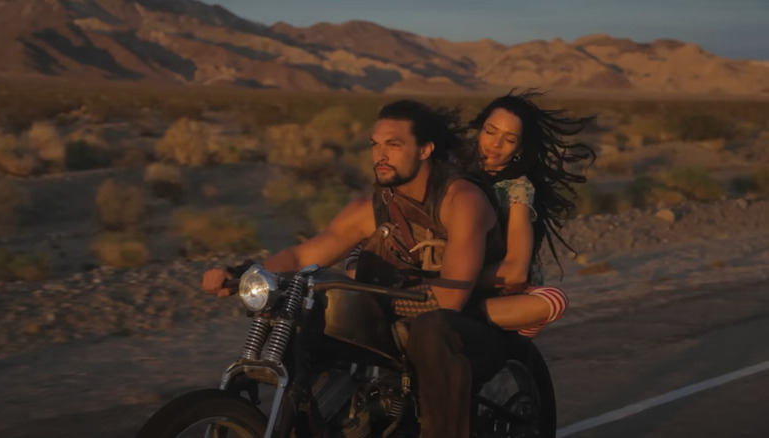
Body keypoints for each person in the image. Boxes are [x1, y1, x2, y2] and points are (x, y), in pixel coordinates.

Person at [203, 99, 508, 438]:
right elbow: (302, 256)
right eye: (375, 145)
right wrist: (242, 274)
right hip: (402, 314)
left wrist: (382, 299)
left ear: (425, 149)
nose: (381, 155)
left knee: (432, 329)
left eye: (393, 145)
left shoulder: (461, 200)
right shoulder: (373, 206)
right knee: (308, 313)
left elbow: (452, 298)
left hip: (472, 325)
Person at [471, 90, 596, 337]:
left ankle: (459, 309)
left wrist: (454, 280)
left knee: (553, 301)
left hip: (491, 289)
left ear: (519, 149)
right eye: (490, 131)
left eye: (509, 139)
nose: (495, 144)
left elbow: (515, 270)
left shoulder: (516, 188)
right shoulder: (450, 170)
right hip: (449, 278)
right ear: (479, 129)